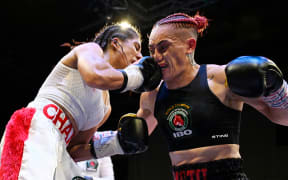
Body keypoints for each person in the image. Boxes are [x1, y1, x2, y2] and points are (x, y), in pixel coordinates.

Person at [134, 12, 288, 180]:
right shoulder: (152, 95)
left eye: (163, 47)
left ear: (190, 46)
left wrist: (277, 89)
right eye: (152, 50)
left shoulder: (221, 79)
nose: (156, 56)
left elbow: (283, 117)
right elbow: (132, 140)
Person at [0, 22, 161, 180]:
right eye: (136, 47)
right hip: (37, 127)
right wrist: (137, 75)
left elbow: (75, 149)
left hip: (61, 149)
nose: (140, 56)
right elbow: (94, 76)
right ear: (116, 43)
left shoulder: (105, 107)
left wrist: (117, 142)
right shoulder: (90, 50)